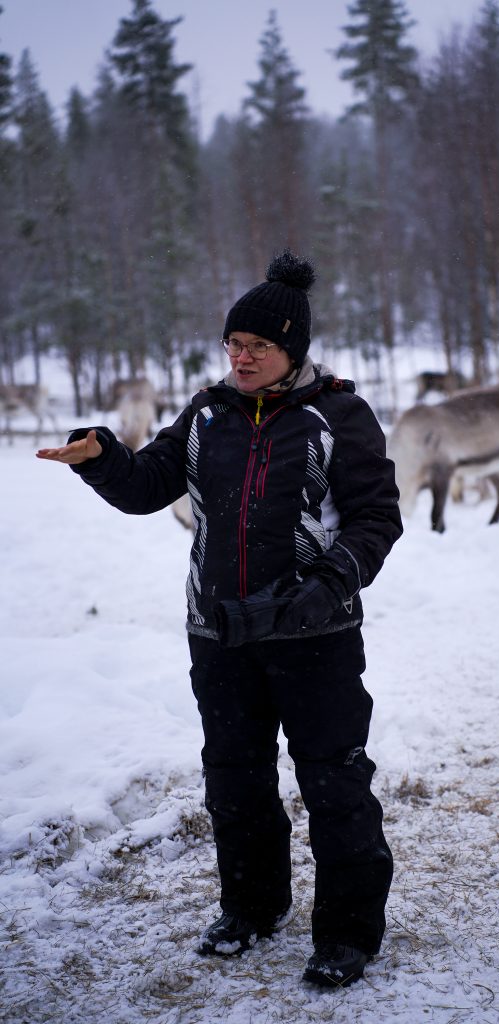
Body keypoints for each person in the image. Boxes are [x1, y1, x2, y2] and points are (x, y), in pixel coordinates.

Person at [36, 250, 403, 989]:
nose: (240, 358)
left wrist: (329, 583)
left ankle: (346, 934)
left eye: (257, 347)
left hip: (314, 637)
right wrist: (103, 457)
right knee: (233, 782)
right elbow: (148, 488)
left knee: (333, 783)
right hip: (219, 636)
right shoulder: (206, 412)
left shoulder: (339, 415)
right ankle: (252, 909)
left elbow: (375, 518)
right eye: (233, 345)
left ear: (290, 352)